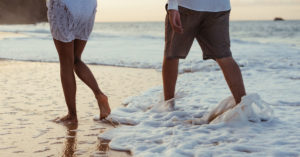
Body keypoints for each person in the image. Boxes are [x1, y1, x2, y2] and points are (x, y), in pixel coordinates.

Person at [163, 0, 246, 122]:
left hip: (187, 6)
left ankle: (167, 107)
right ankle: (244, 108)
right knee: (225, 57)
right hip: (219, 8)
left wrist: (172, 6)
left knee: (172, 54)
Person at [47, 0, 111, 123]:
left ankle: (72, 115)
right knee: (76, 59)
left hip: (64, 6)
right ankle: (99, 95)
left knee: (66, 63)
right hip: (87, 8)